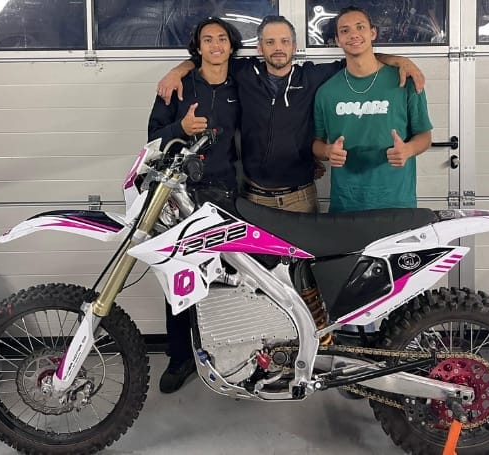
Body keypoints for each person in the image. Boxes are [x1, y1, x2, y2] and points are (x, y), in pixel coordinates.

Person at [157, 15, 426, 213]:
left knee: (304, 272)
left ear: (294, 46)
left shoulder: (313, 76)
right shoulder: (243, 73)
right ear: (260, 48)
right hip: (253, 199)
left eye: (284, 41)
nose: (278, 48)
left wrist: (400, 61)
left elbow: (359, 58)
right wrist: (177, 71)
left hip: (301, 199)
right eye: (270, 42)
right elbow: (211, 57)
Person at [147, 17, 243, 394]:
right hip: (179, 195)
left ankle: (225, 354)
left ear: (231, 46)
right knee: (179, 275)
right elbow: (152, 139)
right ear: (198, 47)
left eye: (222, 39)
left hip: (226, 196)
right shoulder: (177, 86)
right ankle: (180, 357)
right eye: (208, 39)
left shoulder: (242, 82)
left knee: (225, 276)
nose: (216, 45)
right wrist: (180, 130)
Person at [313, 6, 433, 213]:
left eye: (360, 27)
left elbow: (424, 136)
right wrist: (327, 151)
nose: (353, 34)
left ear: (373, 33)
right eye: (345, 30)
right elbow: (317, 142)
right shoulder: (326, 92)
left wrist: (408, 150)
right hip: (346, 204)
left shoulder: (405, 81)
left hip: (397, 202)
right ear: (338, 40)